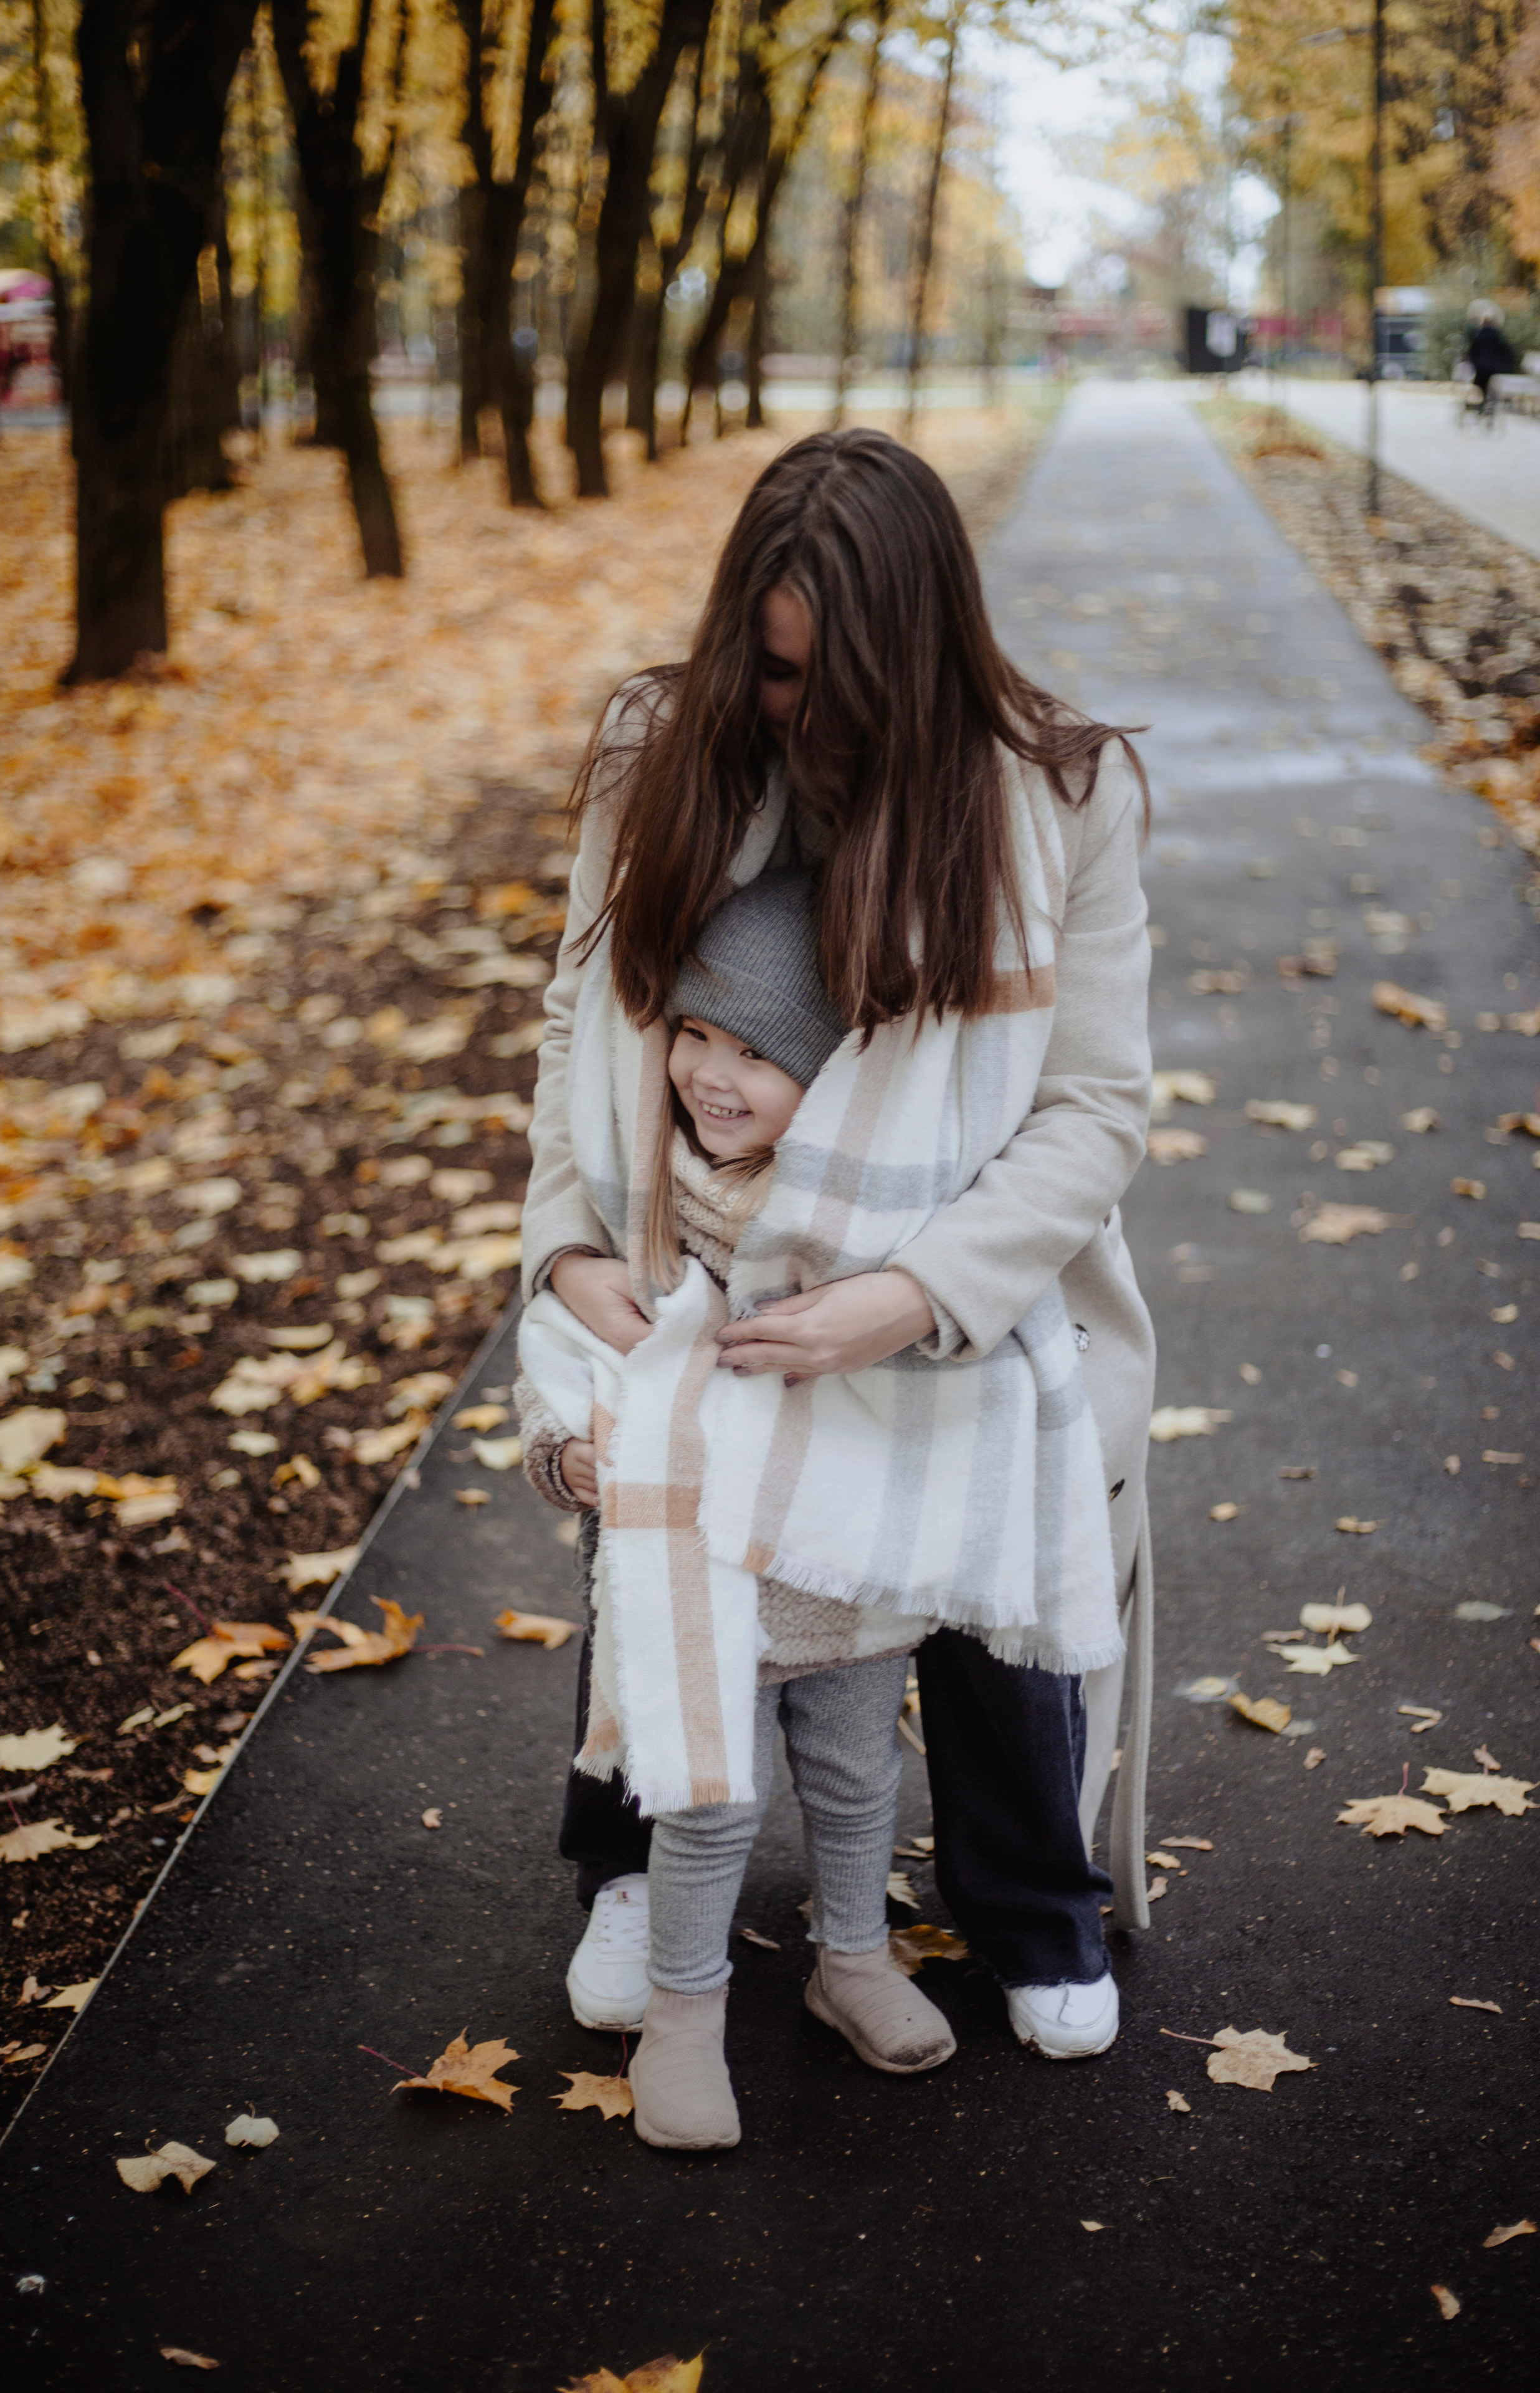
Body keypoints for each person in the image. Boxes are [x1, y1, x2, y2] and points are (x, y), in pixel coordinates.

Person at [518, 427, 1156, 2116]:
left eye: (840, 682)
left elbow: (1093, 1108)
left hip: (956, 1257)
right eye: (779, 671)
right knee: (668, 1507)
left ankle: (1026, 1899)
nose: (803, 714)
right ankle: (641, 1871)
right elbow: (584, 1029)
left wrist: (919, 1293)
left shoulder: (1060, 792)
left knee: (979, 1542)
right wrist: (560, 1246)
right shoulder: (667, 747)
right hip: (707, 1252)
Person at [518, 868, 963, 2148]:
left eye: (755, 1051)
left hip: (843, 1563)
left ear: (830, 1071)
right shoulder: (643, 1193)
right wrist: (566, 1458)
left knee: (853, 1773)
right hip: (693, 1569)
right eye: (693, 1037)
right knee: (709, 1797)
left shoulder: (871, 1210)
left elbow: (936, 1366)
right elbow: (565, 1353)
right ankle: (683, 2014)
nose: (709, 1075)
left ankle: (854, 1960)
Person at [1465, 304, 1518, 413]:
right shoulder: (1498, 336)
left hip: (1481, 367)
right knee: (1491, 387)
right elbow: (1507, 352)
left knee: (1479, 385)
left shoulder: (1478, 336)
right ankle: (1489, 406)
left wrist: (1475, 363)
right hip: (1494, 368)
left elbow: (1472, 352)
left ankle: (1476, 406)